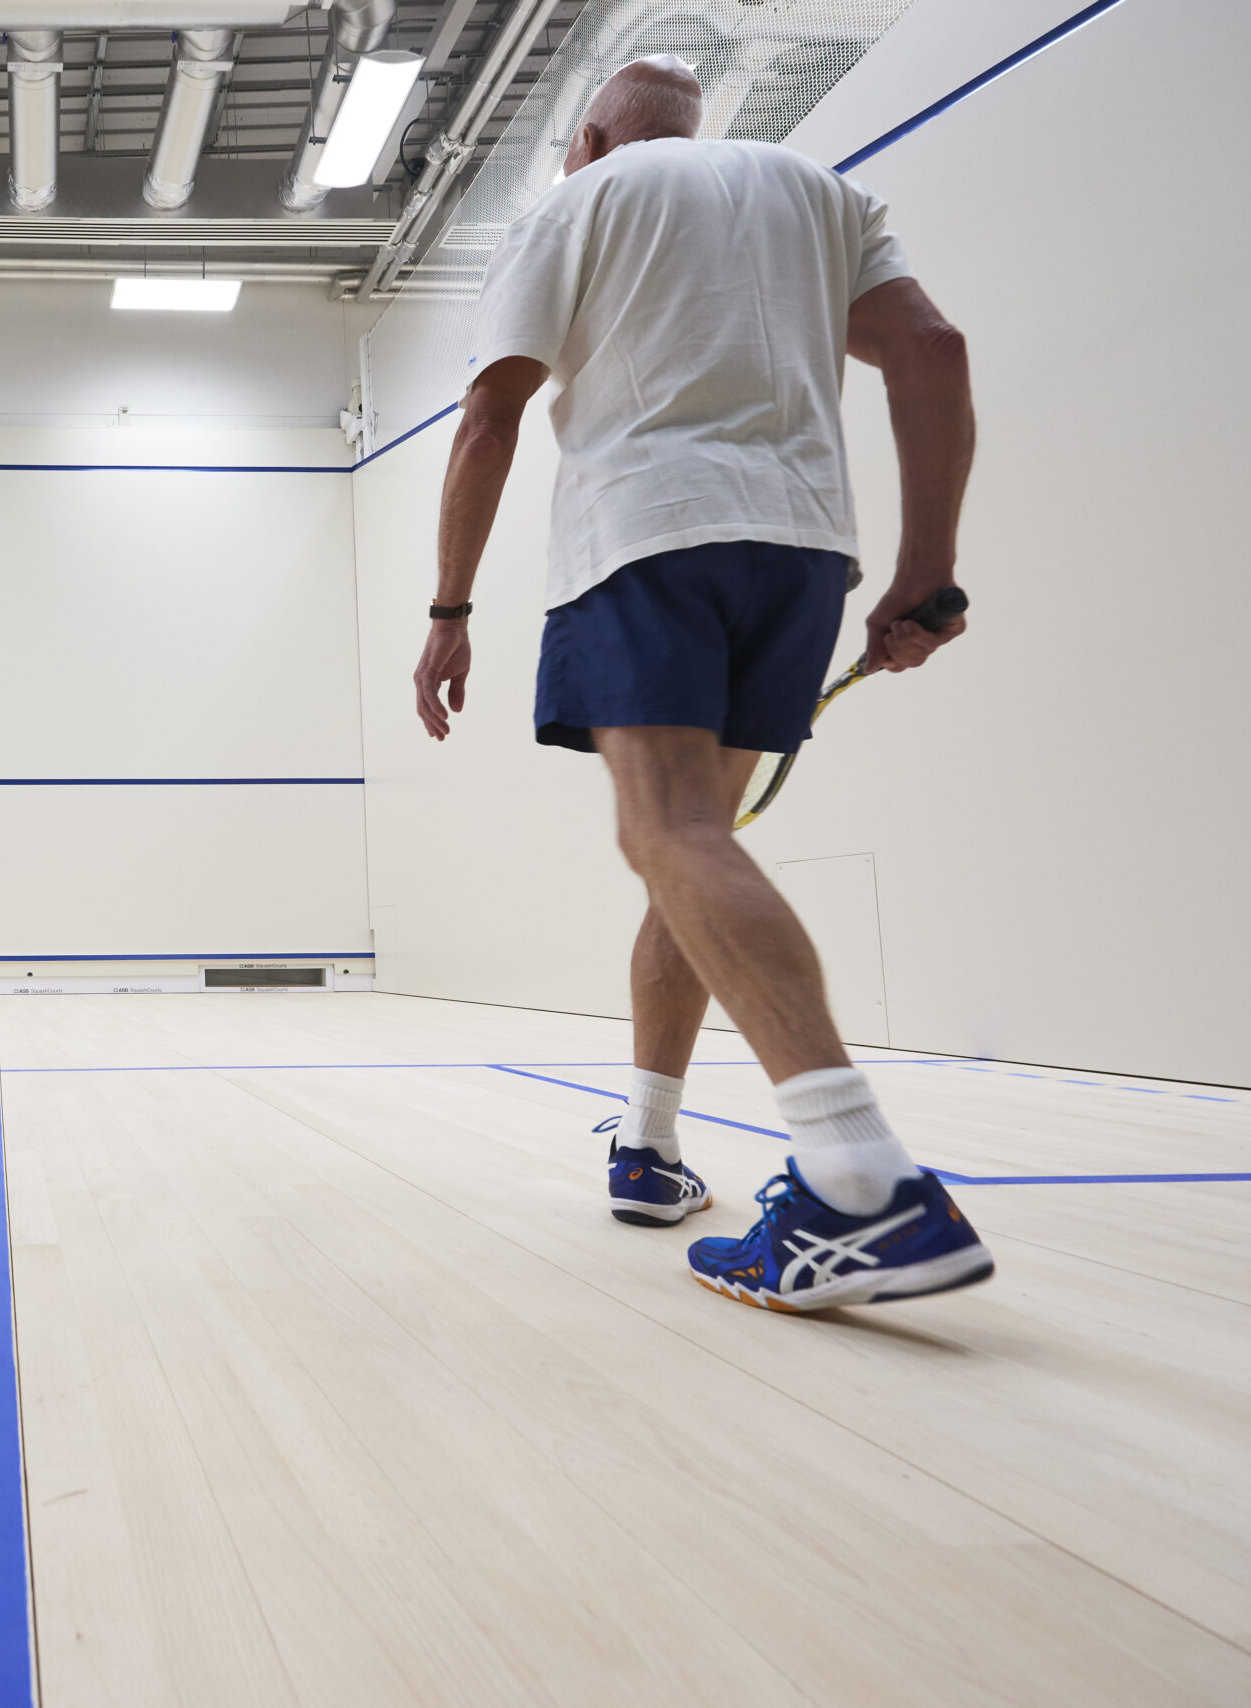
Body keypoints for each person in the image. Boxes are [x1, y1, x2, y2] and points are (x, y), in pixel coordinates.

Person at [410, 56, 991, 1309]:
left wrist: (451, 610)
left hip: (648, 532)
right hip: (801, 552)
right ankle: (650, 1144)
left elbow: (489, 419)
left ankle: (860, 1180)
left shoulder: (577, 203)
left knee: (665, 831)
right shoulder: (820, 193)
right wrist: (924, 576)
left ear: (589, 136)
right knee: (693, 844)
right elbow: (929, 350)